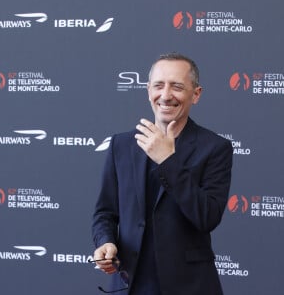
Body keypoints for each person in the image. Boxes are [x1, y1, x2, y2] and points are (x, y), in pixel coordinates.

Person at [91, 52, 233, 294]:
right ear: (148, 91)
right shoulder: (122, 145)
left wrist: (168, 159)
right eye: (159, 86)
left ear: (195, 94)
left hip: (189, 286)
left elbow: (207, 216)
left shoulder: (216, 148)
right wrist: (106, 242)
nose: (166, 95)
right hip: (130, 283)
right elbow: (105, 212)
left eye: (177, 86)